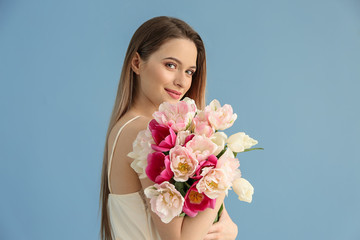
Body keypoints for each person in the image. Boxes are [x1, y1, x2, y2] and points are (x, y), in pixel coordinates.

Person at [99, 16, 238, 240]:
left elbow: (211, 224)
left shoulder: (128, 126)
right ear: (136, 63)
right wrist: (223, 173)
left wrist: (230, 228)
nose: (182, 82)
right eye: (170, 65)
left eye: (189, 72)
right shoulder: (146, 132)